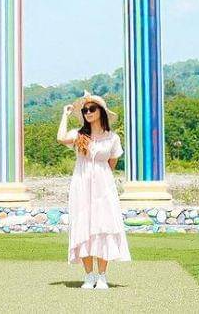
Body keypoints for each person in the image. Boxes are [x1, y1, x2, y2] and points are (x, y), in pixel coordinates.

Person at [57, 90, 131, 290]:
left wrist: (101, 180)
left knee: (103, 226)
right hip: (81, 184)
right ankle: (89, 275)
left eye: (92, 109)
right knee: (84, 226)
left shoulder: (112, 138)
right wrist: (65, 115)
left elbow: (111, 163)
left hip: (103, 186)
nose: (88, 112)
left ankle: (102, 276)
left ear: (101, 112)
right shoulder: (79, 135)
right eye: (85, 110)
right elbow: (61, 138)